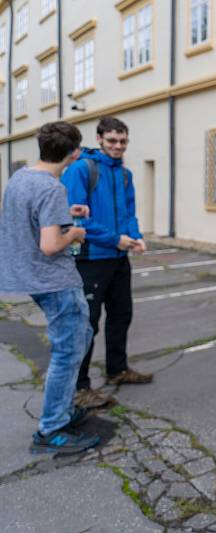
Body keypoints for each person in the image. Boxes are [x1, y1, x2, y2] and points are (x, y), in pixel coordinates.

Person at [0, 121, 101, 454]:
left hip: (29, 277)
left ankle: (61, 409)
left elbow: (29, 218)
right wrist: (73, 232)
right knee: (69, 351)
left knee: (80, 336)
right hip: (54, 279)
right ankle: (52, 428)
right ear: (73, 153)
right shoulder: (51, 188)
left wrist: (65, 214)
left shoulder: (20, 178)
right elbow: (50, 245)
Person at [61, 117, 152, 409]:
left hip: (118, 258)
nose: (117, 146)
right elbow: (77, 218)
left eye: (123, 141)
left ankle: (117, 370)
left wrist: (136, 238)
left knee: (121, 315)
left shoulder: (124, 174)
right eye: (112, 140)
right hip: (90, 259)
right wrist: (115, 240)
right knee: (86, 325)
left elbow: (129, 213)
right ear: (99, 139)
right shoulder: (81, 169)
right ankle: (79, 387)